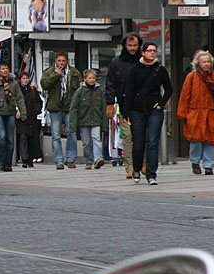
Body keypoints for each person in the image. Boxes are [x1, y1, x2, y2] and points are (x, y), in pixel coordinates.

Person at [120, 41, 173, 186]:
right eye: (149, 50)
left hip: (154, 110)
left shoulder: (160, 70)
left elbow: (169, 89)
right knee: (138, 143)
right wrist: (126, 114)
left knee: (152, 142)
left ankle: (151, 174)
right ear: (143, 53)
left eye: (154, 51)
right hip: (136, 110)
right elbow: (129, 91)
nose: (152, 53)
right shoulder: (135, 69)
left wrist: (161, 104)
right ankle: (137, 169)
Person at [176, 50, 214, 175]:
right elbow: (185, 96)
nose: (206, 64)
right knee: (195, 140)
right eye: (203, 62)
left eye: (208, 61)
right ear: (198, 63)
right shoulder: (191, 77)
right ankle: (195, 162)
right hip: (195, 113)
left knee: (210, 141)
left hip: (211, 114)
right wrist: (182, 113)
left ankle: (208, 165)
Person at [105, 32, 141, 179]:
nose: (132, 48)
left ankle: (141, 162)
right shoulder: (116, 62)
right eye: (130, 45)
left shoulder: (143, 61)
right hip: (124, 104)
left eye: (135, 45)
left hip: (141, 104)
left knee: (140, 136)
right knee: (127, 137)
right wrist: (109, 104)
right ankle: (130, 167)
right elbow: (110, 84)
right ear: (125, 46)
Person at [40, 52, 82, 170]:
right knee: (56, 136)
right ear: (55, 61)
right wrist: (55, 75)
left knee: (71, 133)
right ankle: (58, 160)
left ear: (67, 61)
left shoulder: (74, 73)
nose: (61, 63)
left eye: (63, 61)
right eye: (59, 61)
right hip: (55, 108)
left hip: (70, 107)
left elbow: (80, 90)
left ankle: (70, 159)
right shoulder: (49, 72)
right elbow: (44, 84)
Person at [0, 63, 26, 172]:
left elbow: (20, 98)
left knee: (10, 139)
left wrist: (23, 112)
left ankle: (8, 164)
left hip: (10, 112)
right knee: (1, 137)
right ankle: (0, 162)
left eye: (7, 68)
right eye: (3, 68)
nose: (5, 70)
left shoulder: (14, 83)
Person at [69, 70, 108, 170]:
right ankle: (88, 160)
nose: (92, 80)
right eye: (90, 78)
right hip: (84, 120)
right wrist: (73, 124)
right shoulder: (80, 91)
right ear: (85, 79)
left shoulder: (100, 91)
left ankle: (98, 158)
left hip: (96, 119)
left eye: (93, 78)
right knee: (86, 142)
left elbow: (103, 108)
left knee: (96, 139)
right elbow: (74, 108)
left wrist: (105, 124)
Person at [16, 72, 43, 167]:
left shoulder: (32, 89)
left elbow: (39, 102)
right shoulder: (17, 90)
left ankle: (30, 159)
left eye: (26, 78)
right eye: (23, 78)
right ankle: (24, 158)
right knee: (23, 137)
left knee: (32, 139)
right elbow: (14, 101)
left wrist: (36, 111)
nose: (25, 80)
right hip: (21, 118)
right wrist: (17, 110)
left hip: (32, 118)